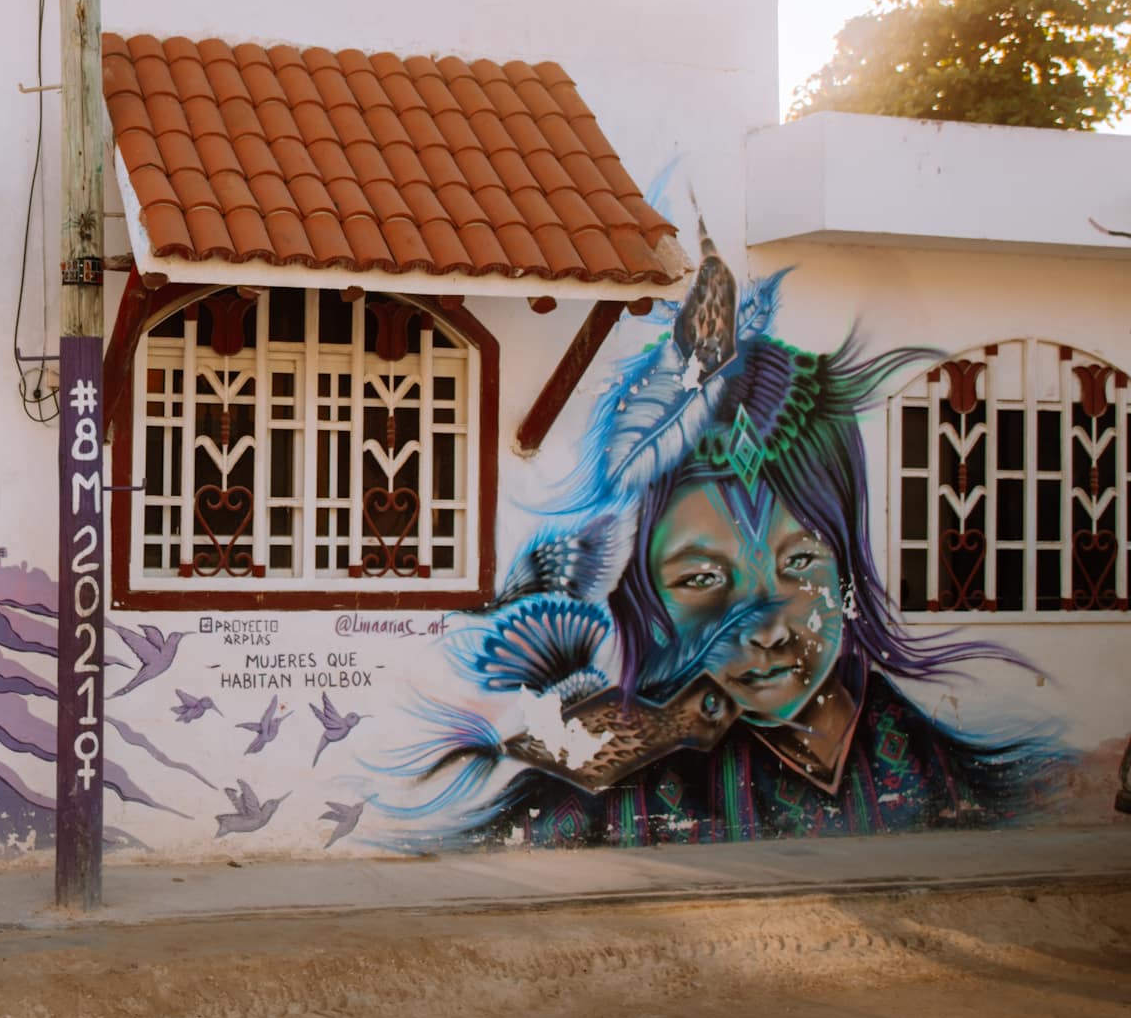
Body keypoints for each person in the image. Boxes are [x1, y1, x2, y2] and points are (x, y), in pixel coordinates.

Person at [387, 258, 1064, 848]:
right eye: (704, 576)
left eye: (800, 564)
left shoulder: (956, 776)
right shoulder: (588, 807)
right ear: (641, 590)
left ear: (849, 566)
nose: (767, 628)